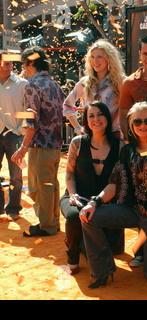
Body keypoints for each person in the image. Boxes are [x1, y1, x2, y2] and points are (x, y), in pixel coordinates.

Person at [79, 102, 147, 288]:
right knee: (89, 217)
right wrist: (94, 202)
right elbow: (114, 183)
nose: (143, 125)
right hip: (134, 211)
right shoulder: (128, 151)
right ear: (131, 125)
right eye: (137, 121)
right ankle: (102, 271)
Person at [59, 101, 125, 275]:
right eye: (91, 116)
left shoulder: (119, 146)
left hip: (104, 200)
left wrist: (96, 202)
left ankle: (83, 243)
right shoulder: (77, 143)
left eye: (100, 114)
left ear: (108, 118)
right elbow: (69, 174)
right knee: (74, 215)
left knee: (111, 250)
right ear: (86, 120)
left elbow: (116, 182)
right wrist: (72, 195)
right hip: (77, 196)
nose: (96, 119)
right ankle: (72, 255)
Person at [12, 46, 65, 237]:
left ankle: (46, 226)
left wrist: (23, 147)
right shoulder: (54, 83)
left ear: (31, 62)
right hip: (55, 144)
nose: (22, 68)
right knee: (51, 184)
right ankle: (53, 222)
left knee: (39, 187)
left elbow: (31, 121)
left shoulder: (32, 85)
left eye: (24, 64)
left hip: (39, 145)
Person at [63, 39, 125, 137]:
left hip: (114, 138)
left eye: (99, 57)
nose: (95, 61)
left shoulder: (120, 81)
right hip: (91, 138)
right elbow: (67, 105)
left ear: (109, 59)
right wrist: (78, 128)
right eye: (92, 57)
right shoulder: (85, 82)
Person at [0, 51, 27, 221]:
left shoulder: (22, 84)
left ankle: (14, 208)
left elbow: (29, 109)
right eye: (3, 63)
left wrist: (22, 130)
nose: (5, 67)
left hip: (15, 134)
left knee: (16, 174)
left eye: (9, 64)